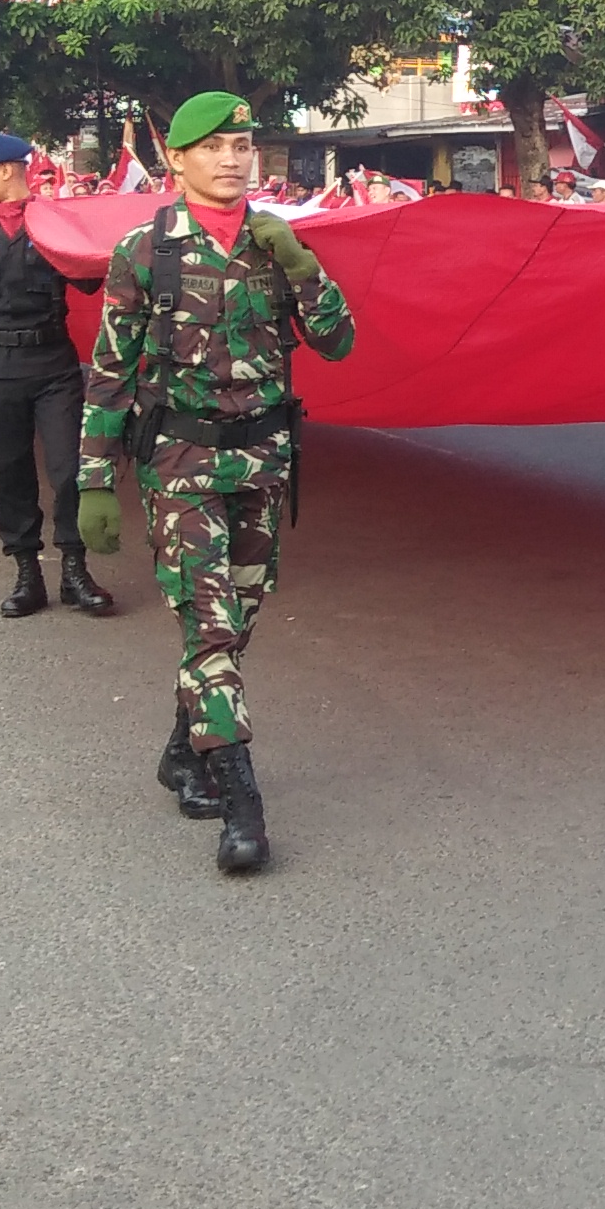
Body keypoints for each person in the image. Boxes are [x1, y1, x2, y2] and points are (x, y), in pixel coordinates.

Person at [77, 93, 357, 872]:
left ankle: (181, 751)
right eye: (215, 146)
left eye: (244, 144)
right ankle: (242, 804)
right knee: (210, 628)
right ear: (178, 159)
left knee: (239, 621)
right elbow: (109, 376)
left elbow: (338, 342)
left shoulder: (279, 243)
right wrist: (95, 480)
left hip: (262, 464)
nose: (233, 158)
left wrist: (303, 265)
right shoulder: (146, 250)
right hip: (182, 466)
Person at [0, 132, 116, 622]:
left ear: (8, 171)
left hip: (53, 364)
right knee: (4, 473)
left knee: (68, 470)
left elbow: (88, 277)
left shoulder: (50, 222)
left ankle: (75, 571)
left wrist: (79, 236)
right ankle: (27, 571)